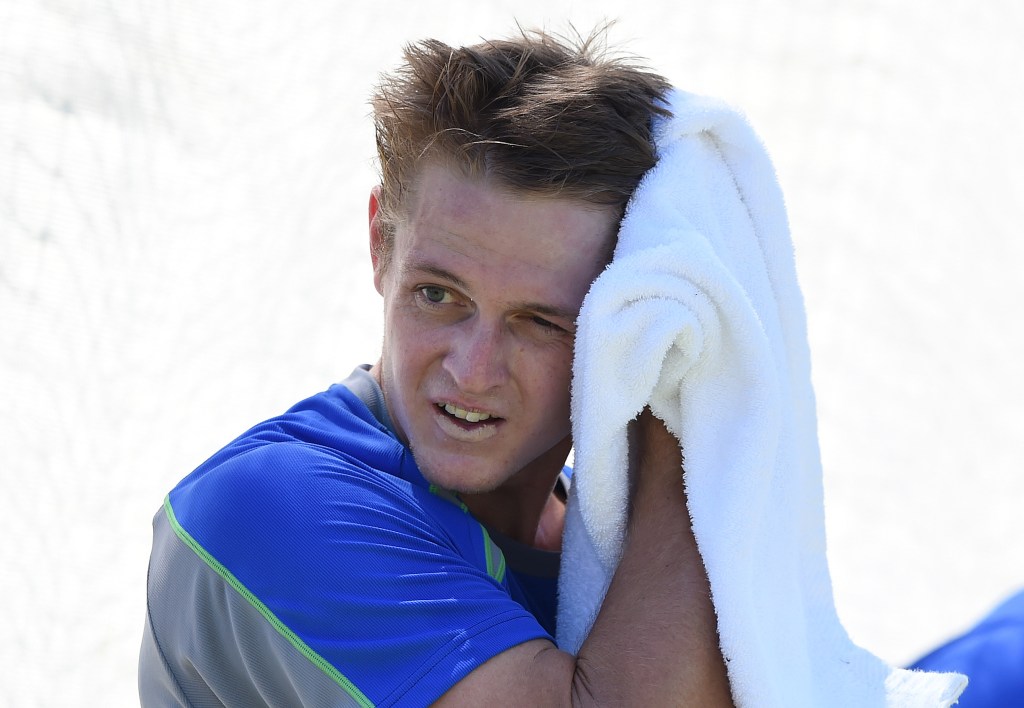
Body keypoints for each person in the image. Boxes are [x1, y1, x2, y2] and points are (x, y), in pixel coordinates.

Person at [139, 27, 734, 706]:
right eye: (438, 295)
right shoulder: (270, 505)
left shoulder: (616, 533)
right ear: (379, 243)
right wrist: (689, 402)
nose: (473, 370)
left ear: (625, 324)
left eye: (540, 322)